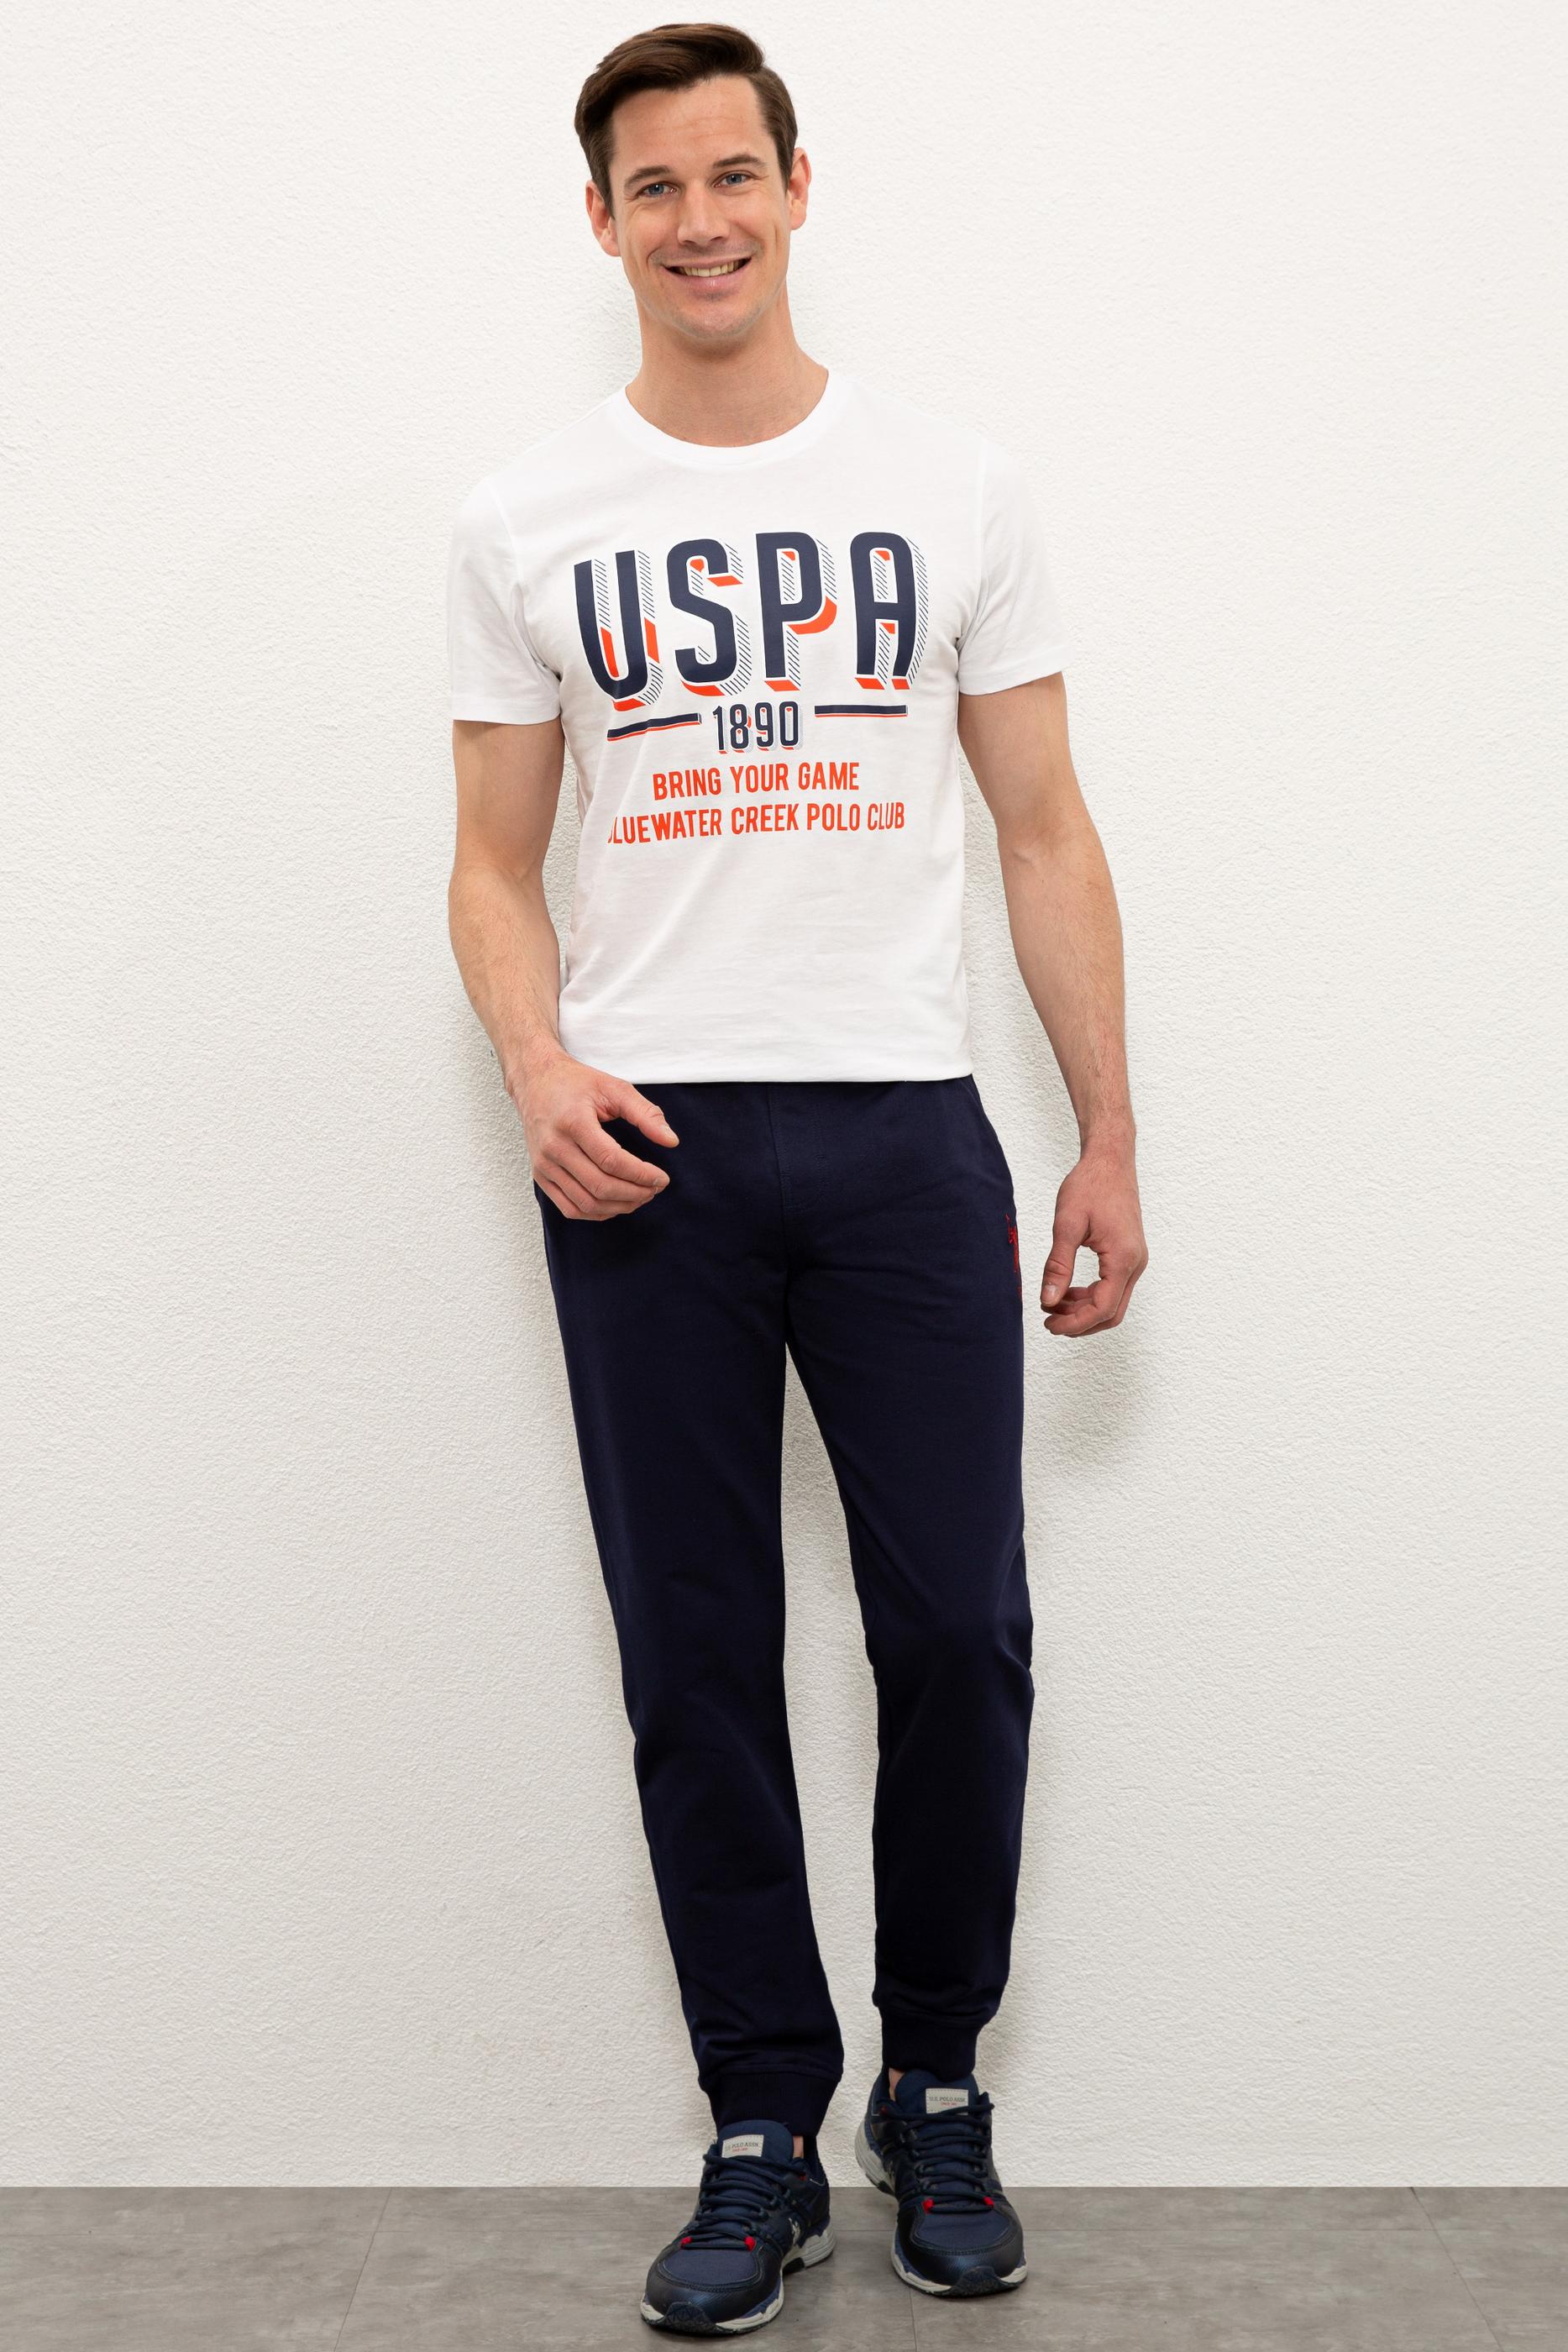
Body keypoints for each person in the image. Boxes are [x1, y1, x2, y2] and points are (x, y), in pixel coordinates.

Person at [444, 21, 1147, 2334]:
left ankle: (932, 2081)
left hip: (899, 1126)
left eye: (732, 173)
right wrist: (538, 1065)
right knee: (695, 1645)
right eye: (654, 187)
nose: (701, 219)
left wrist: (1104, 1133)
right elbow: (489, 859)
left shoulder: (952, 485)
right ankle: (760, 2116)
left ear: (796, 186)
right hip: (644, 1150)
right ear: (602, 222)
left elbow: (1041, 827)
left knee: (955, 1627)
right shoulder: (528, 518)